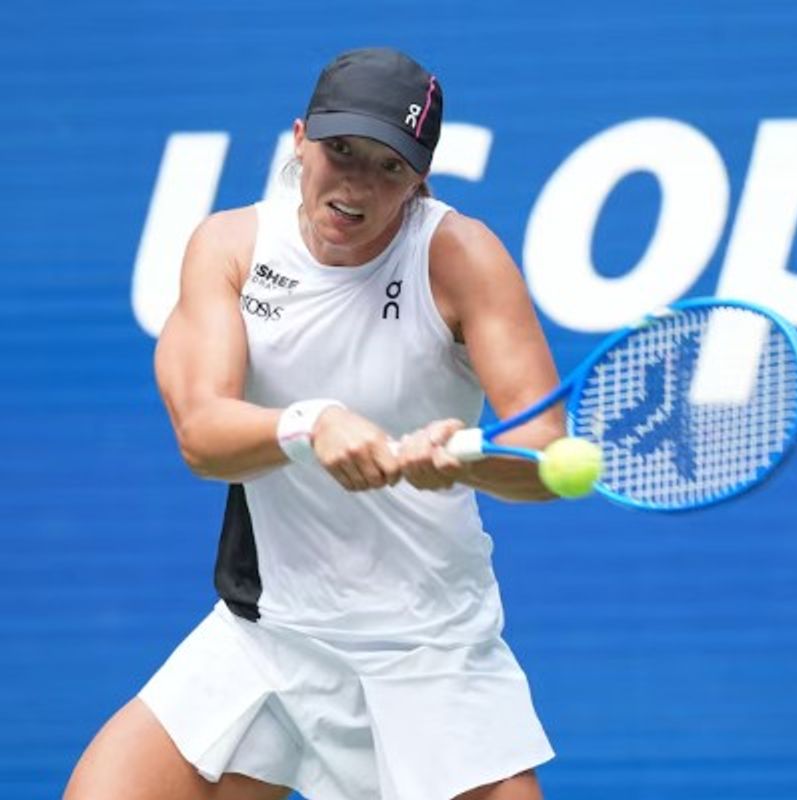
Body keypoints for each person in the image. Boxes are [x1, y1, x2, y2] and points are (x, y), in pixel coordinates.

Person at [65, 47, 563, 800]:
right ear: (299, 138)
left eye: (388, 167)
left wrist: (462, 456)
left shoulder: (460, 257)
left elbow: (545, 455)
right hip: (268, 635)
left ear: (420, 179)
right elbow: (203, 436)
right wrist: (312, 423)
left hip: (427, 646)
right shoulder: (230, 248)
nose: (356, 186)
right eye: (340, 152)